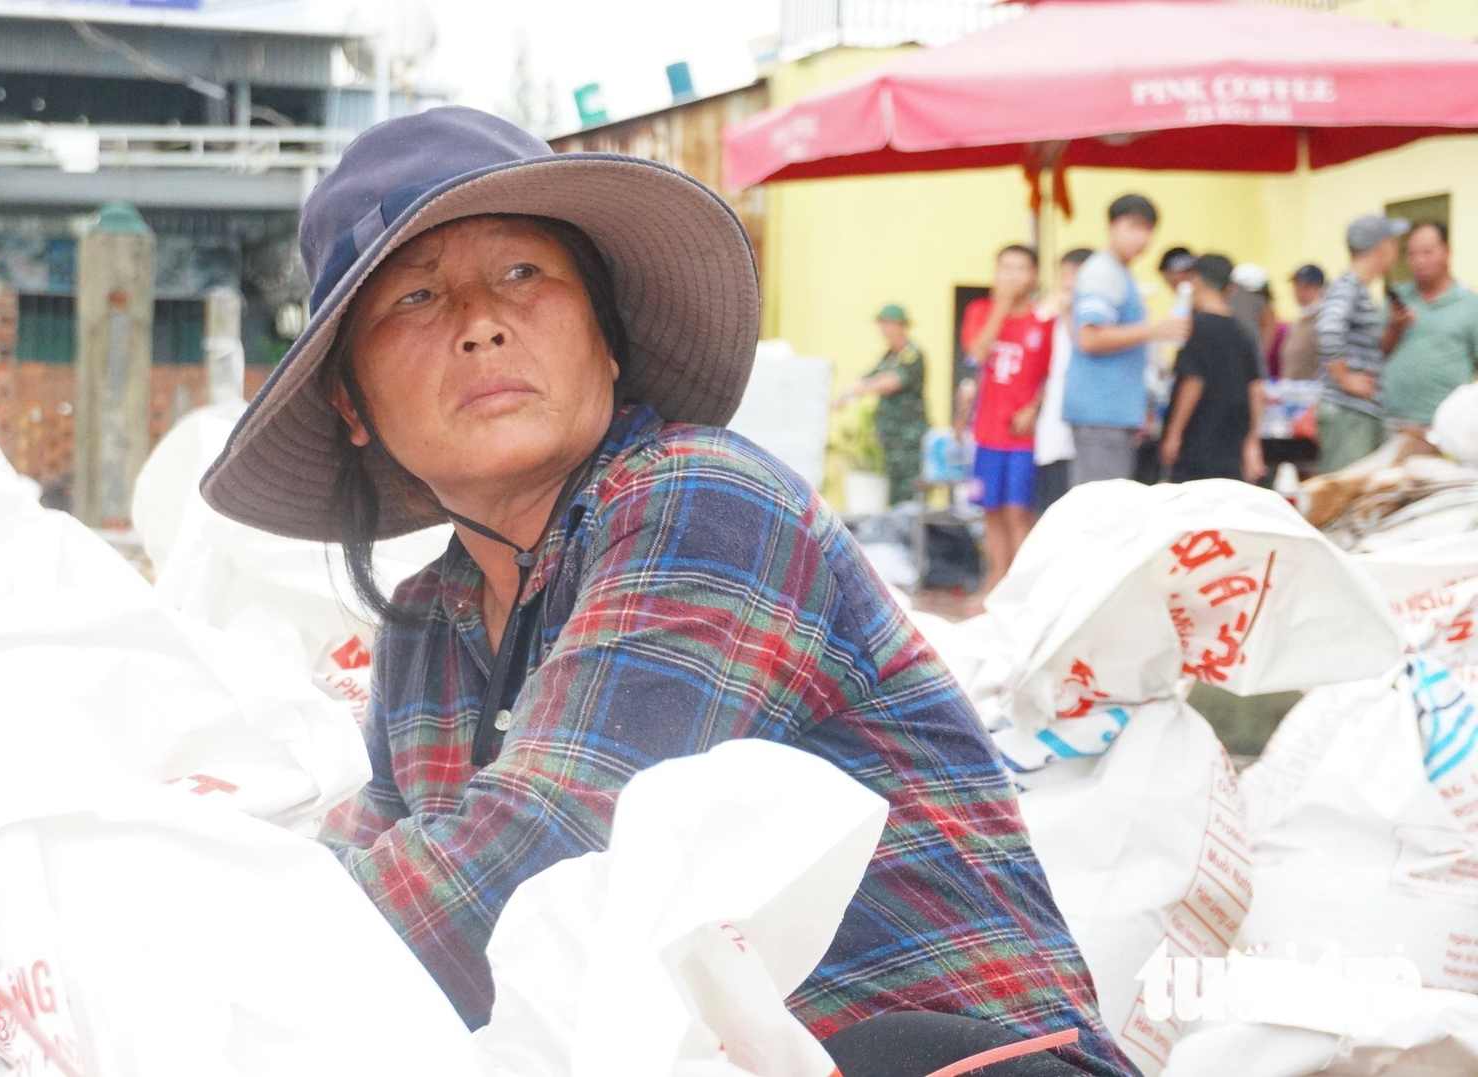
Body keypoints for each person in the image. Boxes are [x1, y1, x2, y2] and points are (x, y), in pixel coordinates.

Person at [200, 107, 1132, 1077]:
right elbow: (372, 891)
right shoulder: (424, 628)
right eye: (416, 296)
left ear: (606, 341)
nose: (480, 324)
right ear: (351, 403)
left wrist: (204, 955)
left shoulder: (703, 501)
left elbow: (539, 858)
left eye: (522, 274)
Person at [1065, 194, 1191, 485]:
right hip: (1100, 412)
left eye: (1148, 230)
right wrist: (1155, 330)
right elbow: (1089, 337)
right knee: (1103, 504)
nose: (1142, 238)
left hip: (1110, 413)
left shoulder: (1119, 272)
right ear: (1111, 226)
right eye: (1133, 227)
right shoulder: (1103, 272)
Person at [960, 245, 1053, 592]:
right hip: (987, 432)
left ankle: (1022, 588)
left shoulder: (1044, 321)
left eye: (1020, 268)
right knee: (991, 511)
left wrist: (1034, 407)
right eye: (1005, 268)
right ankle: (995, 581)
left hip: (1024, 436)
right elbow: (977, 353)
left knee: (1019, 512)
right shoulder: (979, 311)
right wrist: (1000, 309)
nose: (1012, 276)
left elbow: (1053, 375)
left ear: (1034, 276)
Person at [1158, 255, 1266, 484]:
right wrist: (1251, 440)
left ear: (1196, 282)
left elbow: (1193, 382)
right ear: (1230, 289)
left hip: (1199, 439)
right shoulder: (1242, 332)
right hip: (1232, 441)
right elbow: (1256, 389)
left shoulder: (1195, 328)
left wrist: (1174, 433)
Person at [1316, 214, 1409, 472]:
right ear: (1383, 247)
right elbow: (1328, 328)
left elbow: (1366, 350)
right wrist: (1345, 378)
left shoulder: (1357, 289)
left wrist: (1395, 328)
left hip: (1358, 412)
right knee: (1346, 488)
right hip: (1348, 412)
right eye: (1394, 243)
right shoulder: (1349, 287)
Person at [1381, 221, 1478, 436]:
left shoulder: (1471, 305)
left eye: (1427, 253)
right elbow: (1376, 353)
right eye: (1411, 254)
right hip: (1390, 421)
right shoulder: (1397, 297)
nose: (1419, 261)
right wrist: (1394, 328)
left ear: (1447, 252)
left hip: (1444, 426)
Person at [834, 304, 926, 504]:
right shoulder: (889, 356)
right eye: (882, 324)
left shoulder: (911, 354)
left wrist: (859, 390)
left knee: (909, 496)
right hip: (891, 440)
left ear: (902, 326)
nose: (884, 329)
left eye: (889, 324)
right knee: (894, 496)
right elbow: (869, 377)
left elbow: (893, 381)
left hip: (908, 441)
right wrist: (846, 394)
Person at [1034, 249, 1093, 512]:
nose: (1068, 283)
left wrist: (1069, 312)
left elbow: (1084, 350)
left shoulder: (1095, 317)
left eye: (1075, 276)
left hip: (1083, 426)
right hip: (1051, 426)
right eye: (1064, 276)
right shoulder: (1047, 314)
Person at [1279, 264, 1326, 382]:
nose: (1300, 292)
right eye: (1297, 287)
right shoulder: (1296, 324)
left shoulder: (1325, 322)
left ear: (1320, 289)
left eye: (1307, 287)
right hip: (1291, 388)